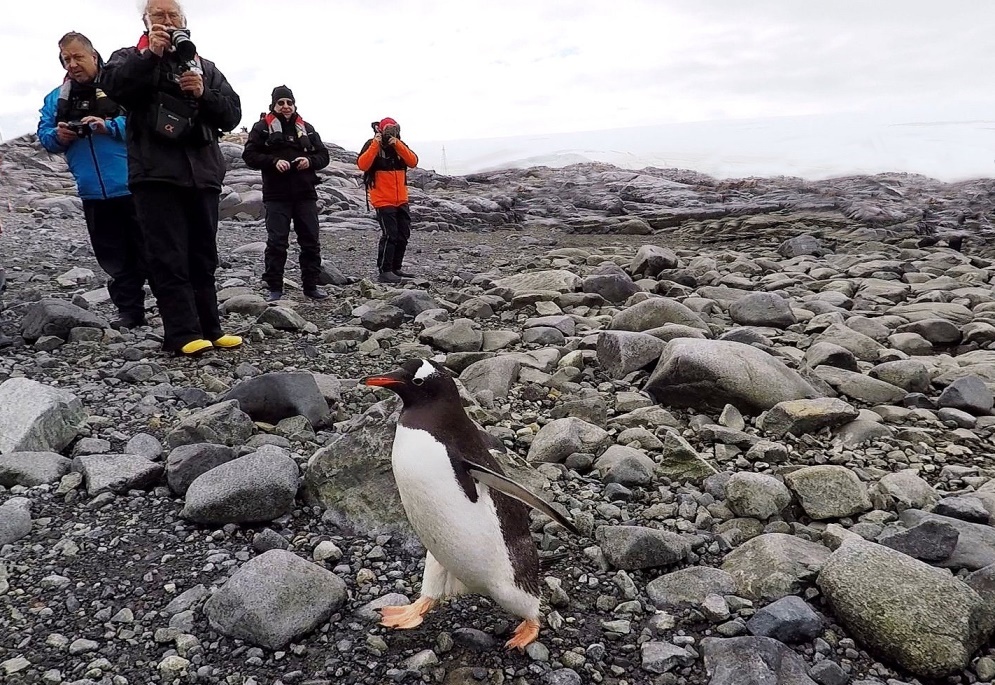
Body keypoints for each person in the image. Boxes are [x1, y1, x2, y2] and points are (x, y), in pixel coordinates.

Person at [98, 0, 243, 356]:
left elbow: (232, 114)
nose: (166, 21)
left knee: (203, 255)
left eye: (172, 15)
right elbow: (113, 89)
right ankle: (180, 333)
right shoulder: (128, 57)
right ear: (146, 22)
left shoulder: (204, 66)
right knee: (168, 254)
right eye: (158, 15)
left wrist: (202, 93)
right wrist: (150, 57)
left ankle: (211, 328)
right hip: (156, 175)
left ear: (185, 20)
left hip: (203, 175)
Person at [37, 31, 152, 329]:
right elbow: (45, 134)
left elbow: (143, 122)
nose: (72, 64)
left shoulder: (118, 88)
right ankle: (130, 311)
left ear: (94, 56)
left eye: (78, 57)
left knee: (151, 250)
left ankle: (173, 308)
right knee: (113, 257)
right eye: (66, 59)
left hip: (132, 186)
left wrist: (108, 126)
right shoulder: (55, 98)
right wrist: (57, 136)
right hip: (93, 193)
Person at [242, 86, 330, 301]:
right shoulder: (262, 128)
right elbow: (249, 155)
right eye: (281, 103)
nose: (286, 106)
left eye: (289, 103)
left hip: (305, 194)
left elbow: (323, 156)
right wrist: (273, 162)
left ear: (294, 104)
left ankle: (311, 286)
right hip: (276, 195)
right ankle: (275, 287)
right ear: (273, 105)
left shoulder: (307, 128)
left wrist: (309, 161)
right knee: (277, 242)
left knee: (310, 241)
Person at [357, 117, 419, 283]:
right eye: (388, 129)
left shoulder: (399, 145)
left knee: (403, 234)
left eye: (393, 129)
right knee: (390, 234)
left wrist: (397, 144)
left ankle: (396, 268)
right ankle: (385, 271)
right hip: (383, 199)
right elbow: (362, 164)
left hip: (401, 199)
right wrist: (376, 143)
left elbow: (413, 162)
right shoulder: (372, 144)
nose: (391, 132)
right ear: (380, 130)